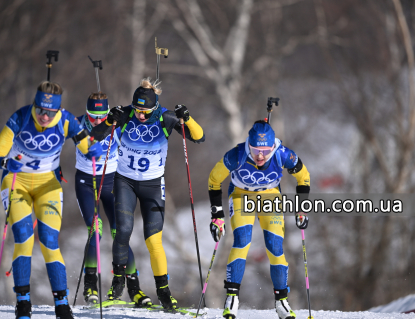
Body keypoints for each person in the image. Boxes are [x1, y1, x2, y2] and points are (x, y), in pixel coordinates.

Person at [89, 78, 205, 309]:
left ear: (155, 107)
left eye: (146, 111)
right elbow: (97, 134)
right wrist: (110, 119)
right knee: (122, 231)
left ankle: (163, 292)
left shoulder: (166, 117)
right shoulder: (125, 115)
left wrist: (188, 117)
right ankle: (117, 286)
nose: (141, 115)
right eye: (138, 110)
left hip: (152, 185)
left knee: (154, 241)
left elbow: (199, 137)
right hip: (125, 182)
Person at [0, 81, 99, 319]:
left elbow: (86, 143)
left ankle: (61, 304)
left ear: (58, 110)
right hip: (16, 182)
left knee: (49, 241)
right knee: (24, 238)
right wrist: (6, 162)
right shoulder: (20, 117)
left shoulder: (67, 120)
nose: (44, 116)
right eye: (40, 110)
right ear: (34, 105)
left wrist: (93, 149)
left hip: (48, 185)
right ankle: (23, 303)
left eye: (50, 112)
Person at [207, 120, 311, 319]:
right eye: (255, 151)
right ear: (249, 145)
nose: (260, 156)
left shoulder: (282, 154)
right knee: (242, 241)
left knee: (275, 247)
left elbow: (304, 177)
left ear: (273, 146)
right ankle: (232, 298)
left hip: (269, 196)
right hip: (240, 196)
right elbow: (214, 179)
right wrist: (217, 215)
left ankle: (282, 301)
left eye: (265, 151)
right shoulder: (237, 154)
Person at [74, 92, 151, 306]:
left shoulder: (117, 124)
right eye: (92, 115)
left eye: (101, 115)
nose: (97, 120)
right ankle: (90, 285)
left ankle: (134, 289)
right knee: (95, 231)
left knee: (120, 233)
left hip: (112, 182)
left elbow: (143, 121)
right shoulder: (77, 123)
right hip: (86, 183)